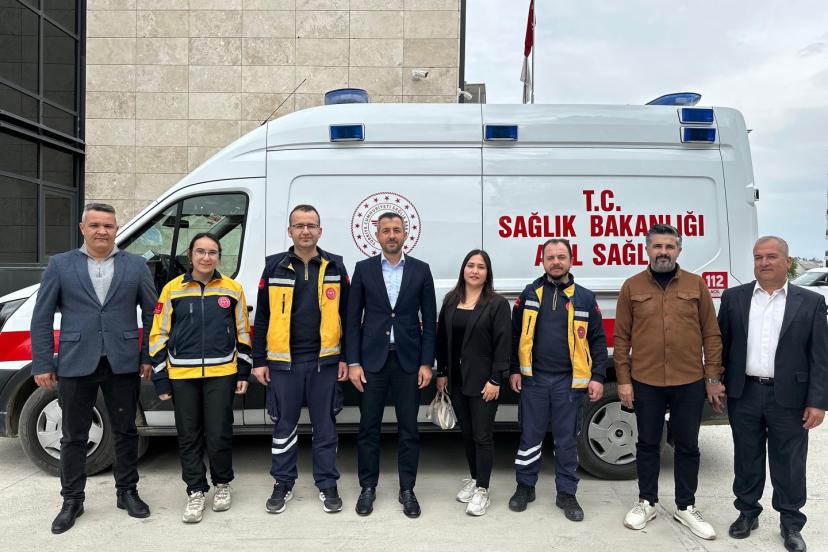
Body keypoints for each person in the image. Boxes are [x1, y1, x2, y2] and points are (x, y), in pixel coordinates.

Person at [30, 203, 157, 534]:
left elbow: (153, 314)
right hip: (75, 361)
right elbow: (41, 317)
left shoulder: (136, 265)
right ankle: (72, 500)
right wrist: (42, 362)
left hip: (123, 362)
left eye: (108, 226)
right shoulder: (60, 265)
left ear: (116, 229)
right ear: (82, 228)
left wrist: (147, 356)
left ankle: (127, 492)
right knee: (73, 435)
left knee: (126, 431)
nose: (102, 231)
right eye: (95, 225)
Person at [614, 224, 724, 540]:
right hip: (645, 380)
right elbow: (621, 338)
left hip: (689, 381)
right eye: (657, 246)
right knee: (647, 444)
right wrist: (624, 381)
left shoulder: (696, 285)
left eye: (669, 246)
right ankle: (646, 502)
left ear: (678, 250)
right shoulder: (632, 286)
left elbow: (711, 334)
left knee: (687, 445)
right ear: (647, 249)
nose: (663, 252)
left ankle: (685, 507)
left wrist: (712, 377)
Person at [718, 236, 828, 552]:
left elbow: (820, 356)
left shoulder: (810, 302)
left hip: (791, 397)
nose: (764, 263)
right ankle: (747, 513)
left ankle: (791, 523)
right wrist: (715, 382)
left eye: (771, 256)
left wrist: (818, 401)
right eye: (758, 257)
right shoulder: (734, 298)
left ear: (788, 262)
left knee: (789, 462)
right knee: (746, 457)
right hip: (745, 393)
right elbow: (721, 346)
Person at [251, 205, 349, 514]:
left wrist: (346, 357)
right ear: (290, 231)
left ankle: (327, 483)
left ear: (320, 231)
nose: (305, 231)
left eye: (311, 225)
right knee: (284, 426)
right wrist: (259, 360)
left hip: (325, 362)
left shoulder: (336, 266)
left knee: (325, 426)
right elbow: (263, 317)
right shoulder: (274, 266)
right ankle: (283, 483)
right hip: (284, 364)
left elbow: (348, 314)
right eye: (299, 225)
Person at [149, 233, 252, 523]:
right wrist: (161, 377)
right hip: (182, 375)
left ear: (219, 256)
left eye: (212, 252)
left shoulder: (232, 289)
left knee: (219, 433)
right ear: (190, 255)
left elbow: (243, 332)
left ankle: (222, 484)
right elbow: (158, 334)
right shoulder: (172, 289)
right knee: (189, 435)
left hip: (222, 373)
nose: (206, 257)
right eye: (200, 252)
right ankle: (195, 490)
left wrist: (243, 371)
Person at [507, 238, 608, 521]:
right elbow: (515, 335)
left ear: (571, 261)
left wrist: (598, 377)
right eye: (550, 257)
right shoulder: (529, 294)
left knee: (566, 440)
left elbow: (598, 341)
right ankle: (525, 487)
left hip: (569, 383)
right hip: (534, 380)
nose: (555, 262)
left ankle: (566, 493)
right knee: (530, 437)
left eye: (561, 257)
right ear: (542, 261)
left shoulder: (585, 298)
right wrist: (514, 369)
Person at [346, 211, 436, 518]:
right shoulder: (364, 269)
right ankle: (367, 487)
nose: (392, 235)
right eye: (386, 230)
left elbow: (430, 321)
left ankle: (407, 489)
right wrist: (354, 362)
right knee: (368, 428)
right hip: (372, 362)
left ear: (405, 234)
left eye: (397, 229)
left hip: (408, 362)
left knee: (409, 429)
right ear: (378, 236)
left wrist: (427, 363)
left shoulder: (421, 270)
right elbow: (352, 320)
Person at [435, 250, 511, 516]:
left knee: (482, 435)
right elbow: (442, 339)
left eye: (481, 267)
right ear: (463, 269)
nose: (475, 271)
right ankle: (475, 478)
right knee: (467, 434)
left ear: (487, 273)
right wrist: (442, 372)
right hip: (457, 381)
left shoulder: (497, 304)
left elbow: (503, 344)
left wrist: (496, 379)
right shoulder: (451, 300)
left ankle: (483, 490)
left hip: (484, 383)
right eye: (470, 265)